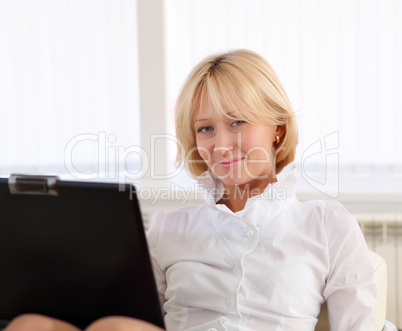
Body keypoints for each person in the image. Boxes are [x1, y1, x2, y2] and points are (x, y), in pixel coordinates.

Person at [5, 49, 377, 330]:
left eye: (237, 121)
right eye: (205, 128)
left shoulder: (326, 225)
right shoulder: (169, 228)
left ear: (278, 128)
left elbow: (359, 326)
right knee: (31, 323)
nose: (220, 144)